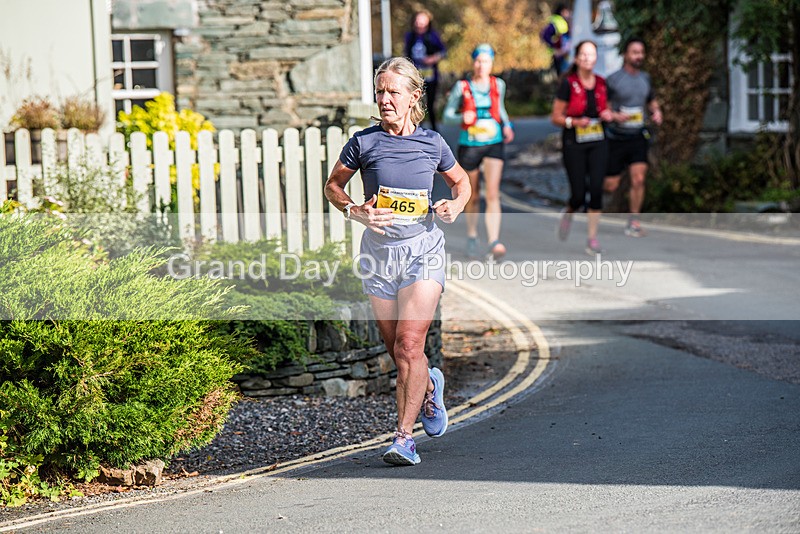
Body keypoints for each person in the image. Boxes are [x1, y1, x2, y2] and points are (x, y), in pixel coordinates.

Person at [324, 57, 471, 466]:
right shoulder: (363, 143)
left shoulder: (433, 143)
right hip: (378, 255)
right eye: (380, 92)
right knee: (397, 349)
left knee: (409, 344)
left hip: (423, 250)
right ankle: (430, 386)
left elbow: (462, 182)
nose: (385, 99)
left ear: (413, 96)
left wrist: (456, 205)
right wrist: (355, 210)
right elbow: (333, 186)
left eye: (393, 92)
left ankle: (404, 438)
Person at [442, 43, 514, 260]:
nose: (481, 65)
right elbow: (446, 116)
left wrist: (507, 125)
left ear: (491, 63)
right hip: (470, 145)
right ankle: (472, 235)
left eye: (486, 61)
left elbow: (500, 108)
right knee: (471, 195)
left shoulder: (498, 84)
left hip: (494, 142)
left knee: (492, 194)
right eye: (478, 61)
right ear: (473, 63)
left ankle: (494, 241)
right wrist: (460, 117)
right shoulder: (462, 87)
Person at [550, 40, 613, 255]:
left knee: (596, 189)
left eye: (591, 54)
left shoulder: (602, 83)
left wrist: (608, 114)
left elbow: (607, 109)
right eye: (583, 55)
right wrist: (574, 122)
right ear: (576, 58)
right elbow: (556, 117)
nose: (587, 58)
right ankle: (569, 210)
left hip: (598, 141)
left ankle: (592, 238)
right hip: (574, 142)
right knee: (578, 194)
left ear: (596, 58)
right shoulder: (568, 84)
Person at [603, 37, 663, 237]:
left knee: (638, 179)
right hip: (616, 137)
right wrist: (615, 116)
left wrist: (656, 112)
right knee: (611, 185)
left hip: (638, 136)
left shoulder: (645, 78)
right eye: (635, 52)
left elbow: (652, 101)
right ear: (625, 55)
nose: (639, 56)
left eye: (641, 52)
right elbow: (605, 109)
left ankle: (634, 222)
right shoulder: (614, 79)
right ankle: (592, 193)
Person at [404, 9, 447, 131]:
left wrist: (433, 59)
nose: (420, 24)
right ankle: (416, 127)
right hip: (415, 74)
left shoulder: (432, 36)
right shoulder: (410, 36)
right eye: (418, 21)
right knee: (416, 101)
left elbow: (443, 52)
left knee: (431, 103)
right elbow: (406, 53)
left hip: (431, 75)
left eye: (423, 22)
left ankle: (434, 129)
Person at [540, 3, 572, 76]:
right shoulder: (558, 22)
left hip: (560, 51)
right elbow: (545, 35)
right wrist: (553, 45)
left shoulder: (557, 20)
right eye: (567, 11)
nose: (568, 13)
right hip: (559, 52)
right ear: (562, 11)